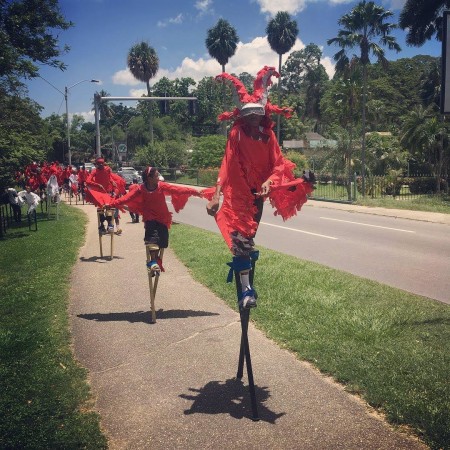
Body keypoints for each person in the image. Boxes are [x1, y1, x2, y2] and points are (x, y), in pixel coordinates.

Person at [205, 66, 315, 310]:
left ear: (263, 113)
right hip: (238, 194)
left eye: (257, 113)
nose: (253, 118)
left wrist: (269, 182)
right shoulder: (236, 134)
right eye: (249, 114)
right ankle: (246, 290)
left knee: (249, 237)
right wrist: (216, 195)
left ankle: (245, 276)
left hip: (258, 194)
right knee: (241, 239)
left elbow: (277, 165)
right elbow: (226, 164)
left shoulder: (268, 137)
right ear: (242, 116)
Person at [110, 166, 202, 271]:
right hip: (150, 217)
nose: (158, 177)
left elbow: (178, 189)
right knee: (152, 239)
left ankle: (157, 259)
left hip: (163, 217)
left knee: (163, 241)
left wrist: (195, 192)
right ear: (150, 178)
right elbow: (127, 198)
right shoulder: (141, 189)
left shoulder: (161, 186)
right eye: (156, 175)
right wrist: (113, 203)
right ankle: (152, 261)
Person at [85, 157, 126, 233]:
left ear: (104, 163)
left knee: (109, 208)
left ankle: (110, 224)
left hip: (107, 192)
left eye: (102, 163)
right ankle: (102, 225)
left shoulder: (107, 169)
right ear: (96, 165)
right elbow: (87, 181)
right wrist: (97, 185)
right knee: (100, 209)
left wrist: (112, 182)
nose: (101, 165)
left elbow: (109, 177)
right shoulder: (94, 171)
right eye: (99, 164)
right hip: (98, 193)